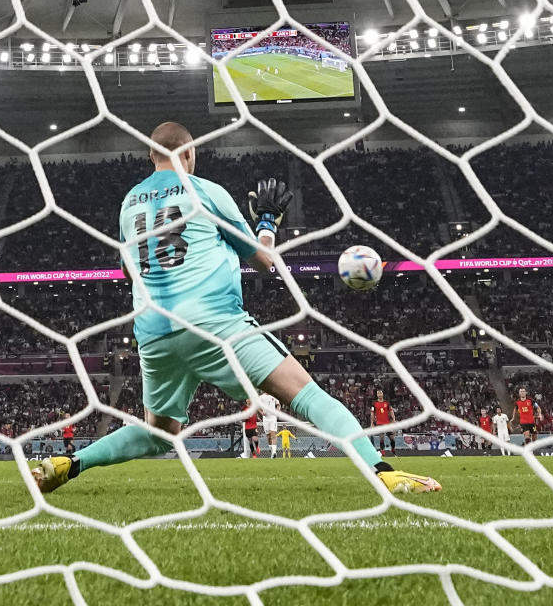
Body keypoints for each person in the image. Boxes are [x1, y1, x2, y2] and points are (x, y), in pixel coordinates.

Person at [31, 121, 438, 494]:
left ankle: (72, 462)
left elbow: (127, 270)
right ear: (188, 152)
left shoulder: (127, 205)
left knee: (159, 433)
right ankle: (383, 471)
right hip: (214, 324)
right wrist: (266, 222)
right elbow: (264, 261)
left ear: (150, 156)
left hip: (153, 331)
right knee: (307, 394)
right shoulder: (206, 191)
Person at [370, 389, 398, 456]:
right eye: (378, 393)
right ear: (377, 395)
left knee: (392, 439)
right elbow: (372, 413)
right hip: (379, 423)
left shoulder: (387, 403)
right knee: (381, 438)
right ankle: (383, 452)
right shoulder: (374, 403)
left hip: (387, 423)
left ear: (382, 394)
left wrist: (394, 420)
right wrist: (372, 423)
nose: (379, 394)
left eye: (380, 393)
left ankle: (393, 449)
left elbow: (391, 411)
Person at [258, 392, 280, 458]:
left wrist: (277, 411)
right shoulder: (261, 397)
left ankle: (274, 452)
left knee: (273, 434)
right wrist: (261, 412)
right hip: (266, 418)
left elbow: (278, 405)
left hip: (273, 418)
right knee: (268, 436)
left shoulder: (274, 396)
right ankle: (272, 452)